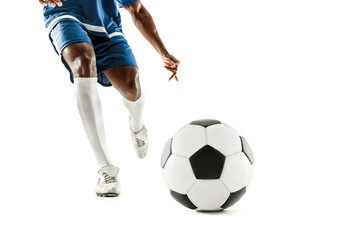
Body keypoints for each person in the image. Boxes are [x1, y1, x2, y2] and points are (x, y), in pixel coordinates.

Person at [38, 0, 180, 197]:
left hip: (106, 26)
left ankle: (137, 125)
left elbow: (137, 10)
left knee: (131, 86)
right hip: (64, 13)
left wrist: (163, 52)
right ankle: (106, 169)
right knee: (83, 60)